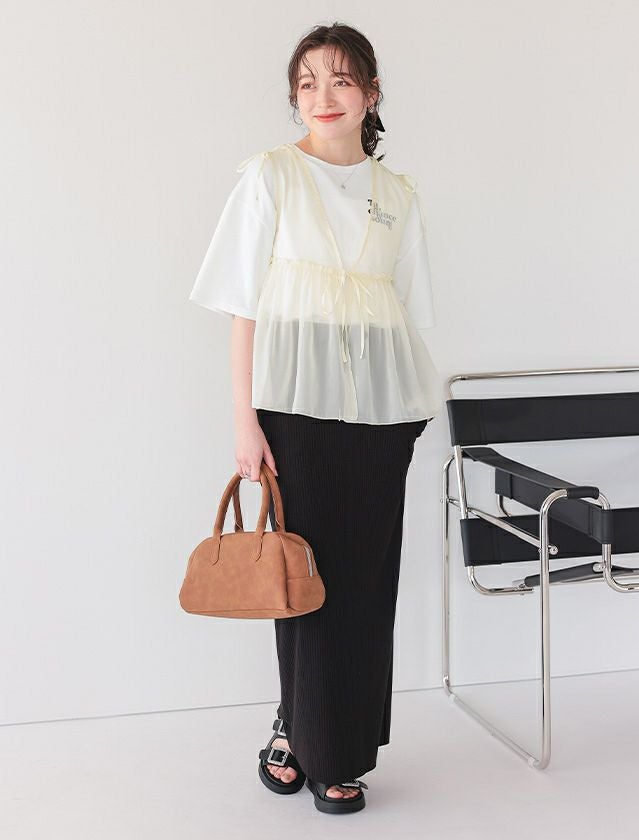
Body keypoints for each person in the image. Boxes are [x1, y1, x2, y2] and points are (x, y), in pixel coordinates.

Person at [188, 22, 441, 815]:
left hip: (383, 416)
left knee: (366, 583)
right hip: (295, 410)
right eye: (307, 83)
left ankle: (332, 741)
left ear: (370, 92)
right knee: (303, 576)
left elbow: (407, 311)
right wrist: (244, 423)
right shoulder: (271, 176)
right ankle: (308, 738)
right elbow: (243, 306)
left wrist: (409, 416)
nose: (322, 97)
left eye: (340, 80)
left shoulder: (397, 196)